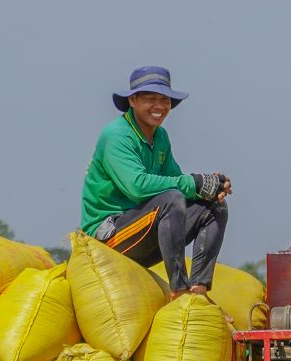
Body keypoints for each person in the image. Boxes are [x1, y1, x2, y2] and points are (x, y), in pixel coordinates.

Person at [81, 66, 232, 297]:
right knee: (173, 199)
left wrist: (210, 187)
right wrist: (194, 183)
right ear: (133, 100)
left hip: (144, 228)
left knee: (214, 206)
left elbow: (176, 180)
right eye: (151, 99)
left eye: (165, 100)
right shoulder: (117, 135)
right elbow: (137, 186)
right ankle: (179, 290)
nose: (159, 107)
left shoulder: (160, 136)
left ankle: (199, 291)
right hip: (109, 235)